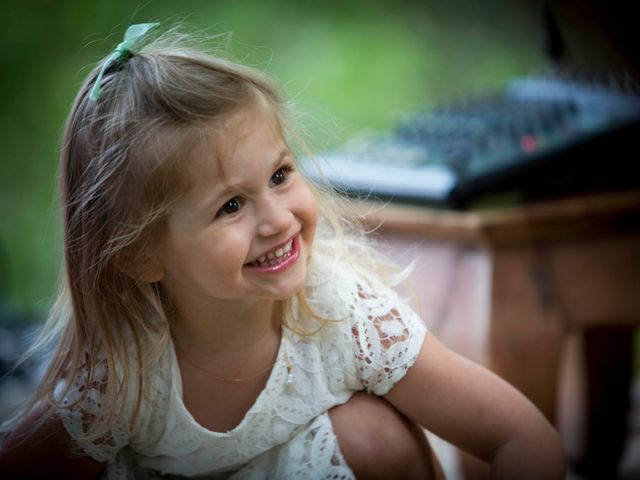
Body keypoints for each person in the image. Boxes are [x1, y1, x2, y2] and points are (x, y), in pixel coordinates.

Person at [0, 23, 565, 479]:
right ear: (142, 257)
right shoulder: (125, 372)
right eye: (230, 206)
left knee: (375, 435)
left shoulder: (345, 315)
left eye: (279, 175)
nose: (277, 218)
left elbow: (521, 434)